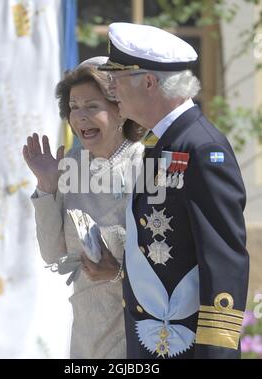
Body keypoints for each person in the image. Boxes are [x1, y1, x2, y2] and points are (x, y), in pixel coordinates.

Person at [99, 23, 249, 359]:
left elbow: (223, 261)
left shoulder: (202, 148)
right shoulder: (165, 142)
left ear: (149, 82)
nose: (112, 90)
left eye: (117, 80)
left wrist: (217, 354)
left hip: (187, 345)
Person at [23, 56, 145, 359]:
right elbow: (53, 253)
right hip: (87, 336)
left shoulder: (148, 166)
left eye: (92, 106)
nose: (80, 117)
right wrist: (47, 185)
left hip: (139, 331)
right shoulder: (72, 165)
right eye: (74, 108)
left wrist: (117, 274)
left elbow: (169, 262)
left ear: (121, 109)